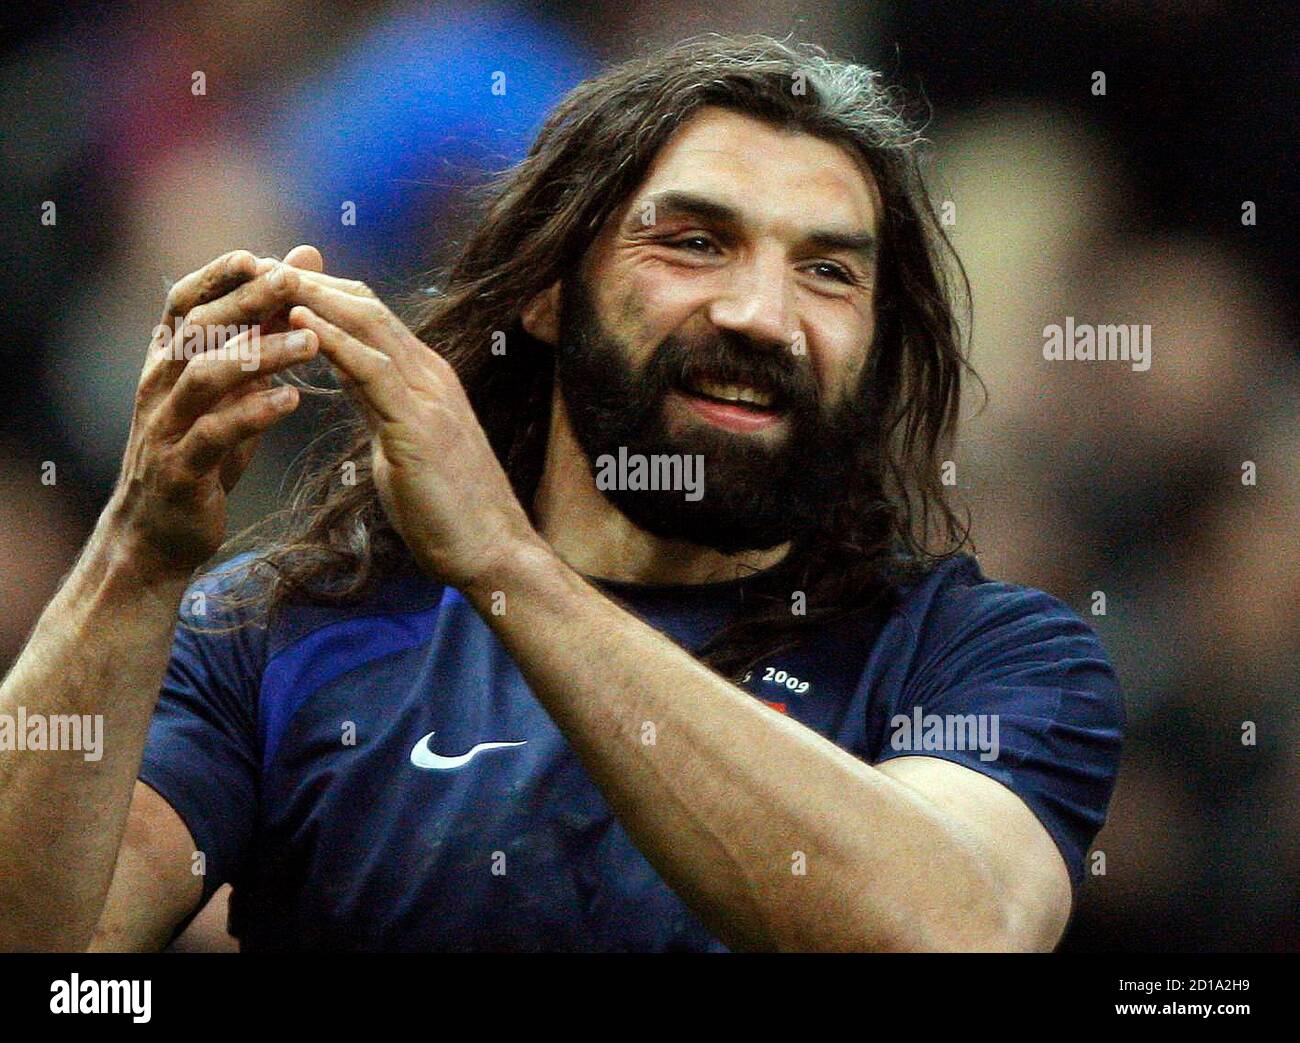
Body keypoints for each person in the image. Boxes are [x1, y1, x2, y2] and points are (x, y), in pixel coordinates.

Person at [0, 35, 1122, 952]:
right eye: (691, 241)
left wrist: (506, 564)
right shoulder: (280, 631)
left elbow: (946, 934)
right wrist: (135, 553)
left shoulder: (984, 659)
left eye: (828, 271)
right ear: (545, 290)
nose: (762, 315)